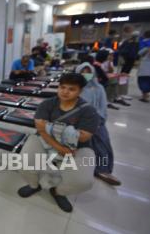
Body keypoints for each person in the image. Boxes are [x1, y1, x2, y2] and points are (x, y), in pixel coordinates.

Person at [17, 73, 100, 213]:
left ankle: (58, 192)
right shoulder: (47, 104)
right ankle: (33, 185)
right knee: (24, 162)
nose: (65, 92)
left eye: (71, 89)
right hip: (44, 140)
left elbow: (84, 137)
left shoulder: (88, 111)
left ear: (80, 91)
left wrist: (50, 127)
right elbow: (41, 129)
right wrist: (61, 142)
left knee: (83, 181)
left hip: (78, 148)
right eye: (62, 87)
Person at [75, 63, 121, 185]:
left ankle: (103, 170)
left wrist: (98, 120)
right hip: (78, 120)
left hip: (97, 119)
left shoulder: (98, 88)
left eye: (88, 72)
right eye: (82, 72)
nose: (85, 74)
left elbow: (103, 107)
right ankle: (84, 167)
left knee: (102, 140)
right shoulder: (75, 87)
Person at [138, 30, 150, 103]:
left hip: (145, 66)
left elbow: (139, 53)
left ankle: (144, 96)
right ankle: (146, 95)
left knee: (143, 81)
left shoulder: (144, 43)